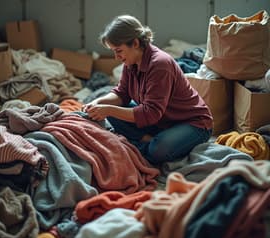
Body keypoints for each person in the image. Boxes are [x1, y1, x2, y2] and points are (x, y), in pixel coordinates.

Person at [83, 15, 213, 165]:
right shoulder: (131, 62)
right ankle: (147, 140)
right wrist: (97, 102)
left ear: (136, 43)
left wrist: (108, 110)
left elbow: (150, 112)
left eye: (118, 50)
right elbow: (122, 93)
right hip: (161, 121)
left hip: (192, 123)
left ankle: (145, 143)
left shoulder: (160, 64)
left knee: (158, 150)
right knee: (109, 113)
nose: (116, 57)